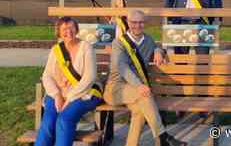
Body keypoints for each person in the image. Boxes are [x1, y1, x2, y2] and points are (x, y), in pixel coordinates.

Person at [103, 10, 187, 146]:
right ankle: (163, 137)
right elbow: (123, 68)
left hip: (135, 92)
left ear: (145, 23)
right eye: (134, 22)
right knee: (145, 96)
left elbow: (157, 47)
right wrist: (139, 86)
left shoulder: (148, 40)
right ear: (128, 23)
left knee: (140, 111)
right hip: (115, 89)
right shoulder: (118, 43)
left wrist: (158, 51)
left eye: (141, 22)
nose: (137, 25)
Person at [35, 17, 102, 146]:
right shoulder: (56, 50)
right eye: (64, 29)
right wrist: (57, 95)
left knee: (64, 119)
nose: (69, 31)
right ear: (59, 32)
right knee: (49, 121)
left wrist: (70, 98)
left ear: (76, 29)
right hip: (58, 94)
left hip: (85, 93)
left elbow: (90, 77)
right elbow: (47, 76)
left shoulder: (86, 47)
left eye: (71, 28)